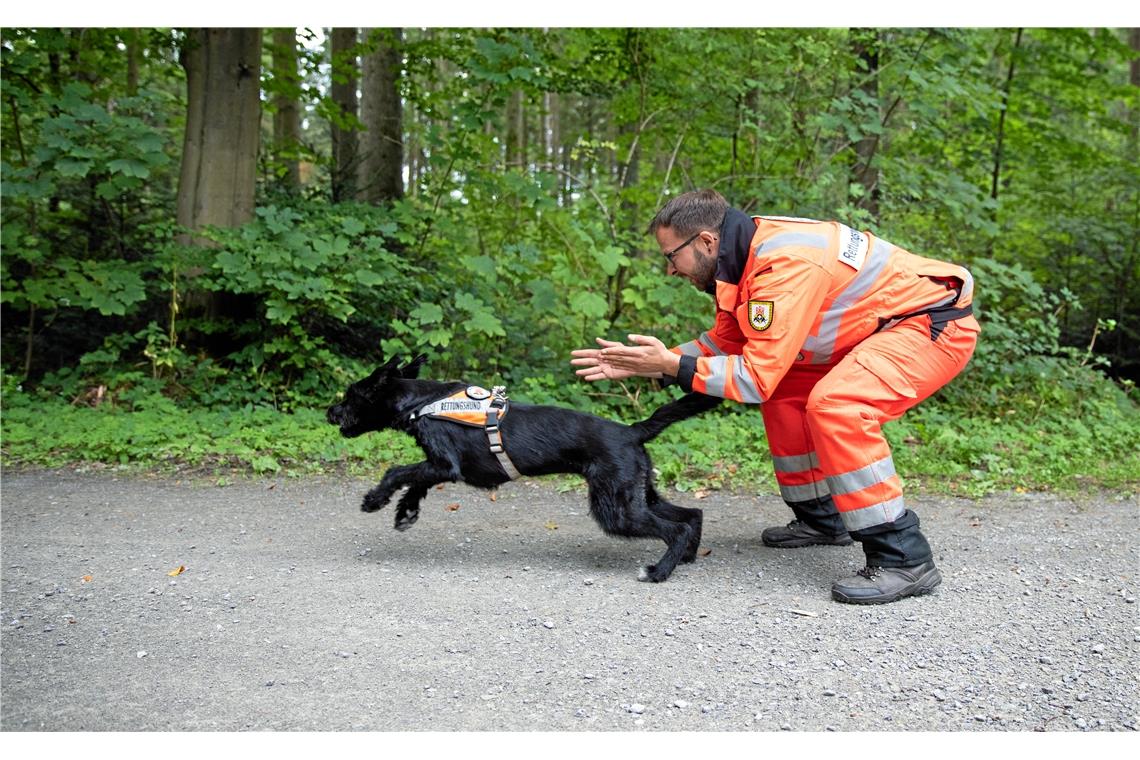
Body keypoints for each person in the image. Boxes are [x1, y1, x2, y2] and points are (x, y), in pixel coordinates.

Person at [570, 189, 979, 604]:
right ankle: (822, 520)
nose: (670, 271)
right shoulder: (739, 258)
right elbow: (729, 343)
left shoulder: (782, 264)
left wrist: (671, 365)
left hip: (928, 325)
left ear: (706, 242)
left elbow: (753, 377)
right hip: (875, 333)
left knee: (838, 405)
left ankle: (904, 559)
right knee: (785, 396)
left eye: (670, 256)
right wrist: (659, 362)